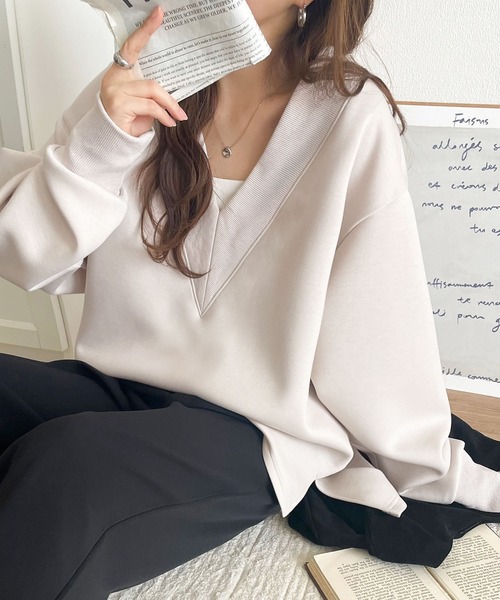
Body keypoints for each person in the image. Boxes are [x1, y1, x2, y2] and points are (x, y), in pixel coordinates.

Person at [0, 1, 499, 598]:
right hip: (118, 386)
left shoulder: (351, 116)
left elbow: (377, 328)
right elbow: (28, 260)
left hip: (253, 427)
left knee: (66, 468)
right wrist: (101, 144)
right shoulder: (131, 84)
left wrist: (431, 465)